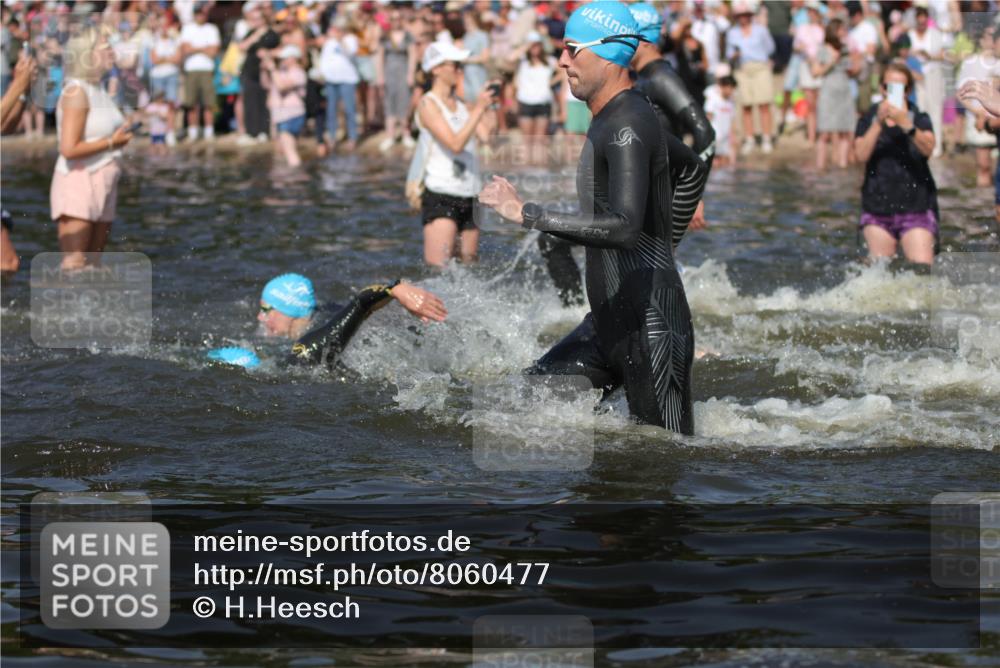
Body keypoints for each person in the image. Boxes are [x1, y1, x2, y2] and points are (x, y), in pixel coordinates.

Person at [479, 2, 695, 434]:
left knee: (659, 464)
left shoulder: (628, 123)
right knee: (519, 407)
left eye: (572, 49)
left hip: (651, 327)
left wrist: (527, 213)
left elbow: (625, 226)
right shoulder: (616, 117)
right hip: (608, 321)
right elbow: (690, 168)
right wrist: (665, 242)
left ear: (610, 52)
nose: (562, 60)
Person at [208, 273, 447, 370]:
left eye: (266, 309)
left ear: (290, 309)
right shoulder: (322, 314)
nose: (260, 316)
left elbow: (360, 304)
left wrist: (395, 289)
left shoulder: (310, 346)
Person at [50, 25, 134, 272]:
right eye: (106, 47)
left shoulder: (98, 88)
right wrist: (112, 142)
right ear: (88, 54)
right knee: (75, 262)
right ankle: (60, 310)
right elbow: (68, 148)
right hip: (79, 179)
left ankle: (87, 311)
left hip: (104, 180)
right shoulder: (77, 90)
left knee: (93, 264)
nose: (113, 52)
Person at [416, 41, 496, 267]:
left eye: (461, 65)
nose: (460, 70)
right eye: (455, 65)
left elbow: (487, 137)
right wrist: (479, 108)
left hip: (470, 193)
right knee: (440, 271)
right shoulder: (427, 104)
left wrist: (490, 105)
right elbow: (454, 144)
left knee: (469, 268)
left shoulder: (462, 104)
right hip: (442, 193)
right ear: (436, 69)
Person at [854, 62, 938, 266]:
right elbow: (860, 155)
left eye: (900, 88)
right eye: (888, 87)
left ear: (908, 90)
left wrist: (906, 123)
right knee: (879, 273)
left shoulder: (919, 118)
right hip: (878, 207)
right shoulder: (868, 119)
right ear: (881, 88)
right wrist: (878, 123)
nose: (893, 92)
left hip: (916, 206)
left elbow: (928, 150)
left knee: (922, 271)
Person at [726, 1, 776, 155]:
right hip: (742, 69)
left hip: (760, 68)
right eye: (741, 15)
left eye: (746, 15)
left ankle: (766, 137)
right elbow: (728, 53)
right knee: (746, 105)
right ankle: (749, 138)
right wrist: (734, 55)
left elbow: (770, 48)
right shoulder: (732, 33)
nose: (743, 18)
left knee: (764, 103)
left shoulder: (761, 30)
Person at [958, 28, 1000, 187]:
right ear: (981, 40)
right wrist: (979, 113)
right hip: (978, 117)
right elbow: (961, 93)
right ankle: (980, 201)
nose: (992, 41)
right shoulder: (971, 62)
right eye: (988, 37)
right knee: (984, 166)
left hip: (994, 119)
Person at [814, 19, 857, 169]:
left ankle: (842, 165)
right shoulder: (823, 49)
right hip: (829, 91)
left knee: (845, 131)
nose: (844, 32)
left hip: (844, 90)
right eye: (841, 30)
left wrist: (855, 66)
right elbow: (816, 72)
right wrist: (832, 61)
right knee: (825, 132)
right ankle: (820, 167)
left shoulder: (845, 49)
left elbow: (850, 71)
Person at [237, 6, 279, 144]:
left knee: (264, 102)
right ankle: (251, 132)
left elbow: (277, 49)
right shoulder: (251, 33)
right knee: (250, 102)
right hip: (249, 71)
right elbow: (241, 47)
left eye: (258, 19)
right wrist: (255, 36)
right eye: (253, 19)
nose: (255, 21)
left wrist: (267, 54)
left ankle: (263, 131)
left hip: (264, 73)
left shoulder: (272, 34)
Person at [180, 2, 220, 142]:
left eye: (202, 13)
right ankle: (193, 132)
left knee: (209, 103)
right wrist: (204, 48)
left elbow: (214, 51)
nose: (200, 16)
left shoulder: (212, 28)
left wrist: (195, 48)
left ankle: (209, 132)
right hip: (191, 70)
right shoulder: (187, 28)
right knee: (191, 103)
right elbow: (185, 49)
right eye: (198, 13)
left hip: (207, 70)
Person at [377, 8, 416, 152]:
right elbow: (380, 58)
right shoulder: (385, 36)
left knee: (405, 103)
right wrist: (380, 76)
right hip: (389, 73)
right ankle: (390, 135)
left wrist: (411, 74)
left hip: (403, 72)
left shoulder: (408, 36)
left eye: (398, 18)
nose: (395, 21)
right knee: (389, 103)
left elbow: (412, 55)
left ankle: (406, 134)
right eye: (393, 19)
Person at [908, 6, 945, 157]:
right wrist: (915, 54)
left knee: (935, 109)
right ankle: (920, 144)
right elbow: (903, 52)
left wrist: (929, 55)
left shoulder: (935, 34)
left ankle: (936, 146)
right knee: (919, 109)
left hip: (932, 74)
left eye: (924, 19)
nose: (921, 22)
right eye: (919, 20)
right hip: (914, 75)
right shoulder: (910, 34)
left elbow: (942, 55)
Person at [319, 19, 360, 153]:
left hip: (347, 79)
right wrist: (323, 74)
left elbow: (351, 53)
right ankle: (332, 136)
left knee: (349, 109)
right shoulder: (329, 42)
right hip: (331, 80)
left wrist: (340, 39)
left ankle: (352, 137)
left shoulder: (351, 39)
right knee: (331, 109)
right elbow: (324, 59)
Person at [262, 44, 306, 167]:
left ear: (293, 58)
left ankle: (295, 177)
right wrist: (265, 69)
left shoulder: (298, 73)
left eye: (285, 58)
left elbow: (282, 87)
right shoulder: (281, 71)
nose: (283, 60)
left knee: (289, 150)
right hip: (280, 114)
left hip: (292, 114)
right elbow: (266, 85)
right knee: (282, 150)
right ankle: (288, 177)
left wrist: (272, 69)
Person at [511, 32, 558, 146]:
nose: (534, 47)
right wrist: (527, 45)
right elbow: (510, 58)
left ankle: (538, 164)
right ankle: (528, 164)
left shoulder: (549, 61)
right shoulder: (523, 61)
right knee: (527, 139)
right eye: (532, 45)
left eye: (537, 45)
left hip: (543, 102)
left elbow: (563, 71)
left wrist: (551, 82)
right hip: (525, 102)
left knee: (540, 139)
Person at [793, 1, 825, 144]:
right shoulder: (802, 28)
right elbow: (796, 47)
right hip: (807, 67)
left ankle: (820, 135)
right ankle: (812, 136)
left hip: (820, 67)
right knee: (810, 103)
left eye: (813, 11)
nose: (811, 14)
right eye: (809, 11)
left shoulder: (822, 28)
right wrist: (803, 50)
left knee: (819, 103)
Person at [150, 16, 181, 146]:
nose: (164, 28)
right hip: (157, 75)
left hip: (171, 74)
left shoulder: (175, 40)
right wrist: (168, 58)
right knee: (158, 105)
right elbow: (154, 60)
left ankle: (170, 132)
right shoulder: (153, 40)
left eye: (166, 25)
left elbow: (177, 58)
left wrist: (162, 59)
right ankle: (158, 133)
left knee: (171, 104)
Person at [706, 75, 737, 166]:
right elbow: (708, 118)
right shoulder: (713, 100)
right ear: (722, 87)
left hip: (725, 138)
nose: (731, 91)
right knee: (715, 163)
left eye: (732, 88)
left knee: (726, 163)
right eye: (729, 88)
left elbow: (731, 120)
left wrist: (732, 136)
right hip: (715, 137)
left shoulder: (731, 102)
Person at [144, 90, 171, 156]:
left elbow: (166, 117)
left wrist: (159, 114)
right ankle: (153, 158)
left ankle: (163, 157)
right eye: (159, 98)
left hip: (162, 130)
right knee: (153, 145)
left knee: (162, 145)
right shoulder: (151, 106)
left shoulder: (165, 107)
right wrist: (154, 113)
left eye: (161, 98)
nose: (160, 99)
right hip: (154, 130)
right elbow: (146, 113)